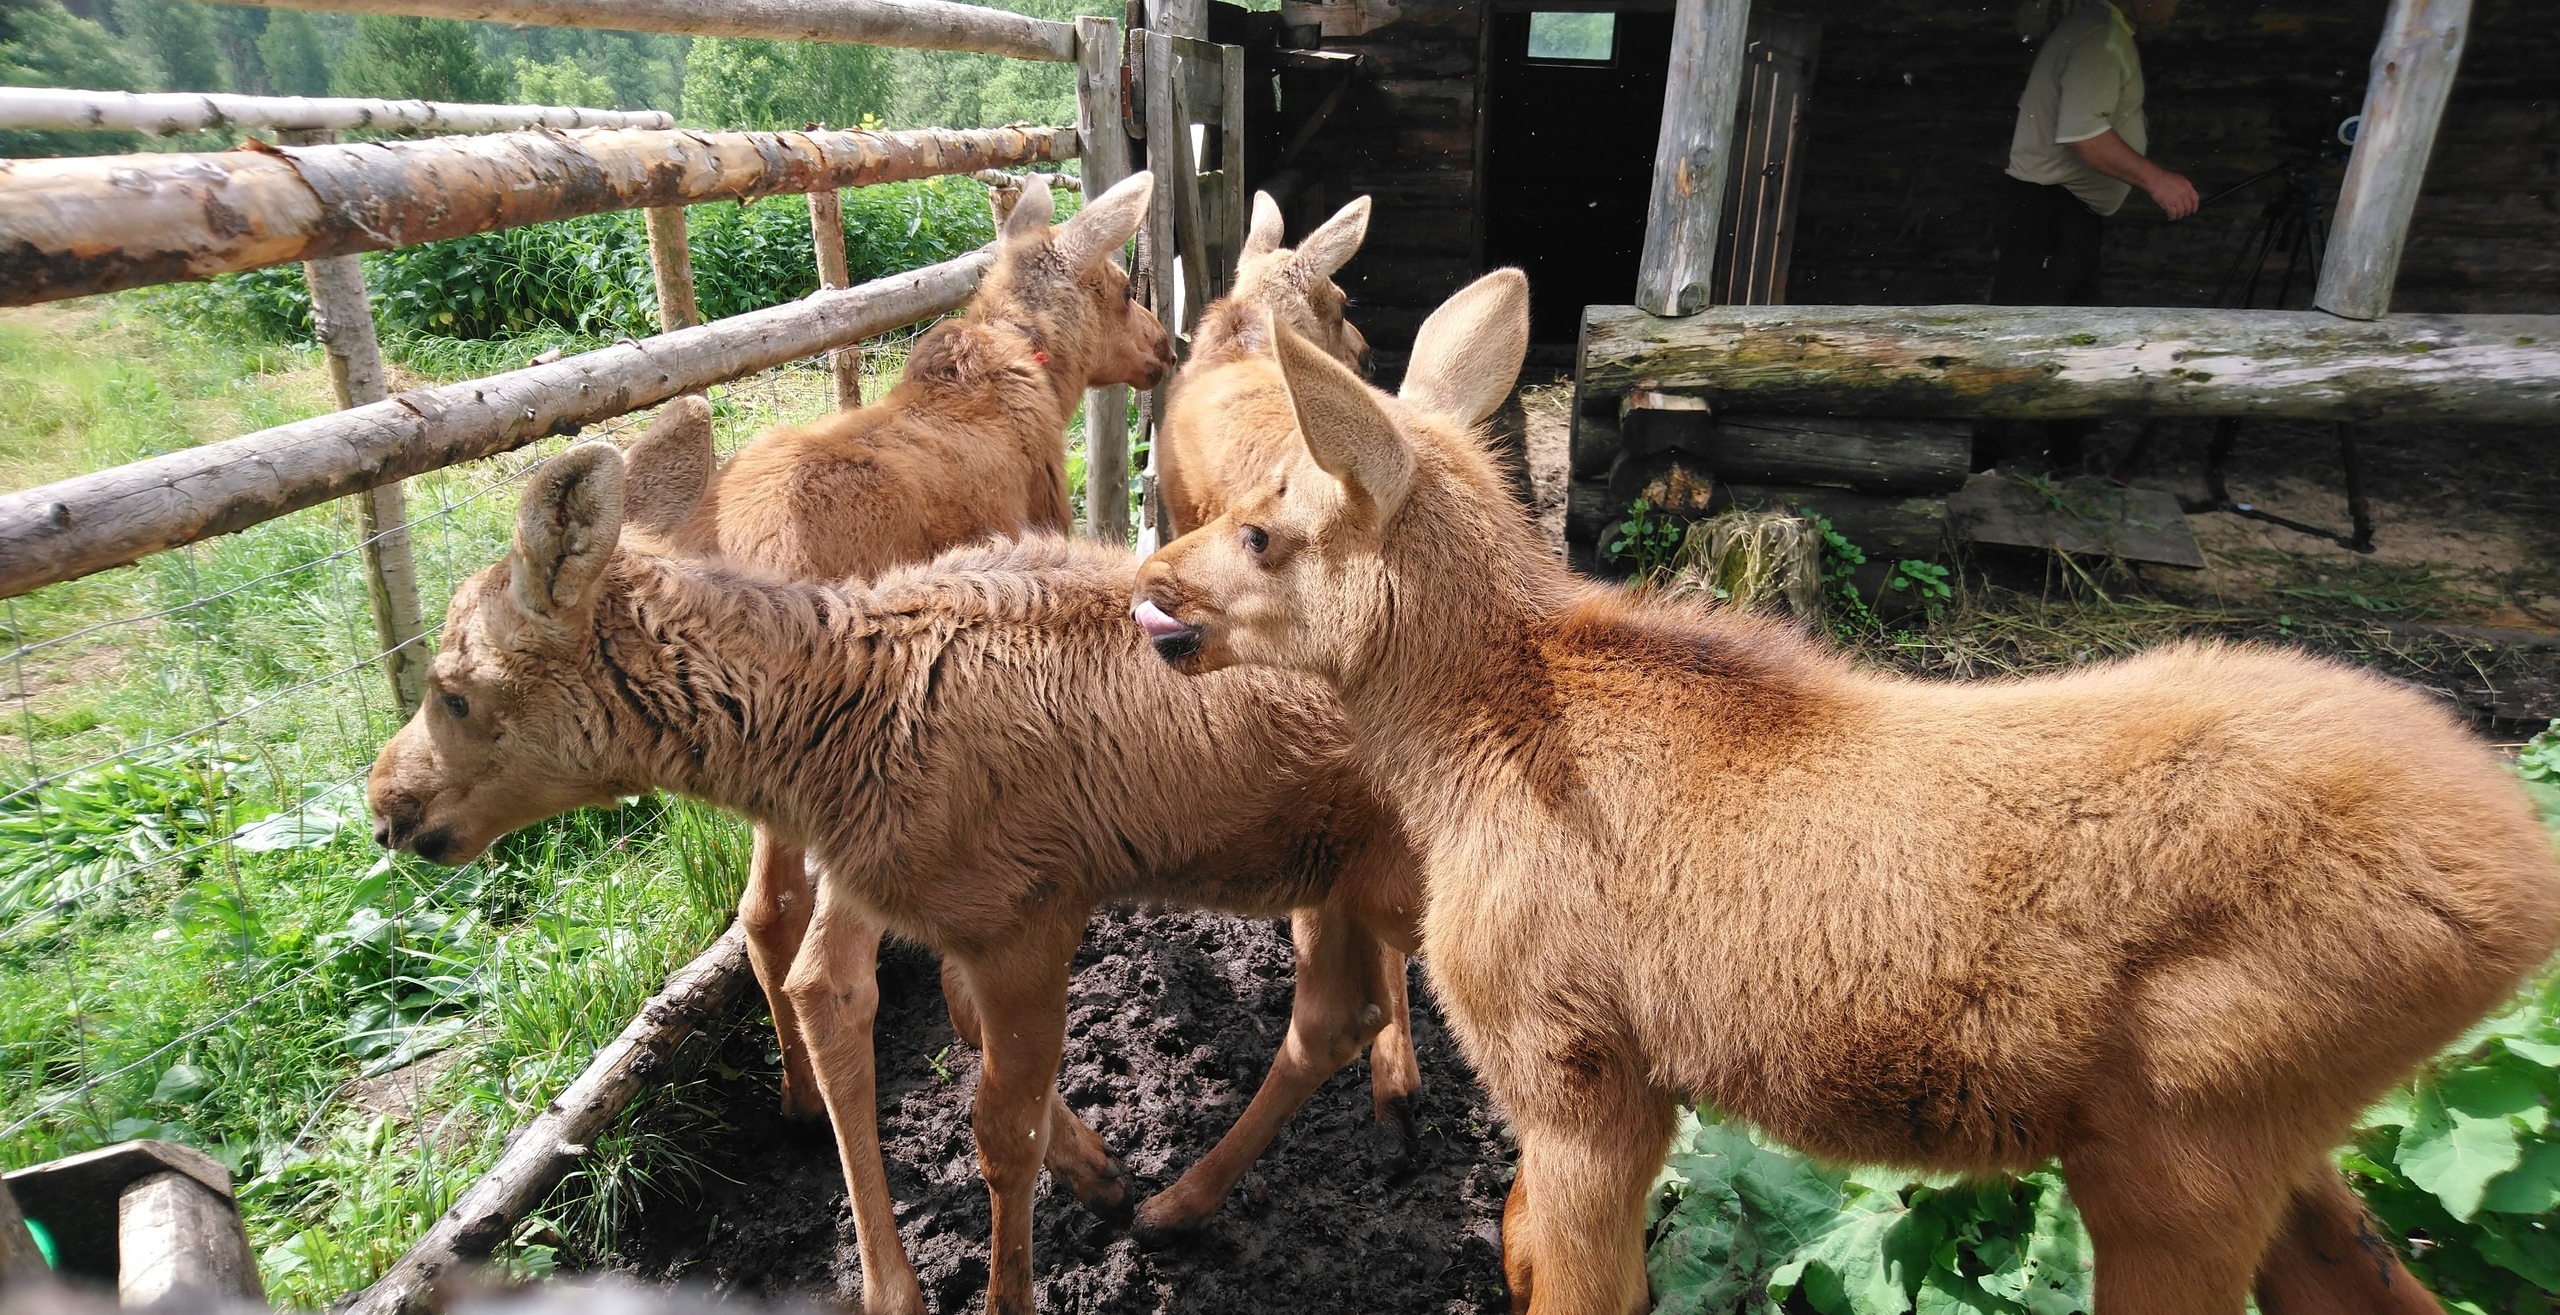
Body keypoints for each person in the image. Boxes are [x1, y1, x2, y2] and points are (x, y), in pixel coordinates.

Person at [1988, 0, 2197, 470]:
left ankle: (2060, 462)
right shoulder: (2101, 38)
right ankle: (1982, 467)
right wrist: (2157, 180)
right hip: (2048, 214)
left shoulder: (2102, 30)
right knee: (2018, 339)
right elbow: (2084, 137)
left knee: (2071, 340)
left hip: (2061, 215)